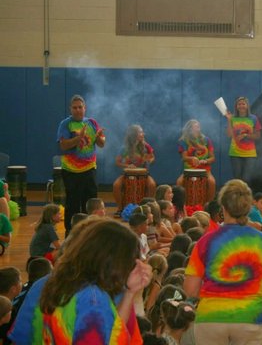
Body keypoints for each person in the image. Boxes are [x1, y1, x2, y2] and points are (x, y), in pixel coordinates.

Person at [9, 219, 152, 344]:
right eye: (130, 260)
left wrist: (129, 293)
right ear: (112, 261)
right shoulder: (93, 299)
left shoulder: (56, 282)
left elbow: (110, 332)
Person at [183, 179, 262, 345]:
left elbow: (190, 288)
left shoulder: (206, 241)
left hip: (210, 319)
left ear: (223, 208)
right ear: (248, 208)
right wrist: (255, 297)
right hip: (249, 319)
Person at [57, 94, 105, 235]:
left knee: (90, 203)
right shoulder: (65, 124)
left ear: (85, 108)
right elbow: (64, 146)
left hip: (89, 169)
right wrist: (78, 138)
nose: (78, 110)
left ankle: (90, 233)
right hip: (71, 171)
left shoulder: (92, 123)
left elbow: (101, 144)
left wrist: (98, 138)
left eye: (80, 107)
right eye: (75, 108)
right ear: (70, 109)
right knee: (72, 204)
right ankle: (71, 234)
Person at [113, 125, 157, 211]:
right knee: (116, 185)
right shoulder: (124, 148)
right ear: (134, 135)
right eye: (140, 132)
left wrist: (148, 160)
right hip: (127, 175)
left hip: (144, 174)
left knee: (152, 185)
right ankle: (120, 208)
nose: (143, 134)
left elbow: (152, 157)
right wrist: (127, 166)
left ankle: (147, 207)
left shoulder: (146, 146)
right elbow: (117, 162)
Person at [176, 120, 216, 203]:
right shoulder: (183, 141)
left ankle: (208, 204)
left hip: (205, 170)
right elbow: (184, 157)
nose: (197, 129)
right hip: (189, 170)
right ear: (189, 129)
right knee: (179, 182)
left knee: (212, 182)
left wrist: (205, 161)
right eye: (195, 127)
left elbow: (212, 158)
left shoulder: (207, 140)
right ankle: (181, 205)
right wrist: (192, 158)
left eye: (198, 127)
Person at [225, 96, 262, 184]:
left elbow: (258, 136)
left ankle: (245, 197)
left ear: (247, 106)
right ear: (236, 106)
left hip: (250, 154)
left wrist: (245, 135)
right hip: (235, 153)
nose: (241, 106)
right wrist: (229, 120)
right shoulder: (232, 118)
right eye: (239, 104)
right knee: (237, 179)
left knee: (247, 179)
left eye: (243, 104)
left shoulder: (253, 118)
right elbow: (229, 135)